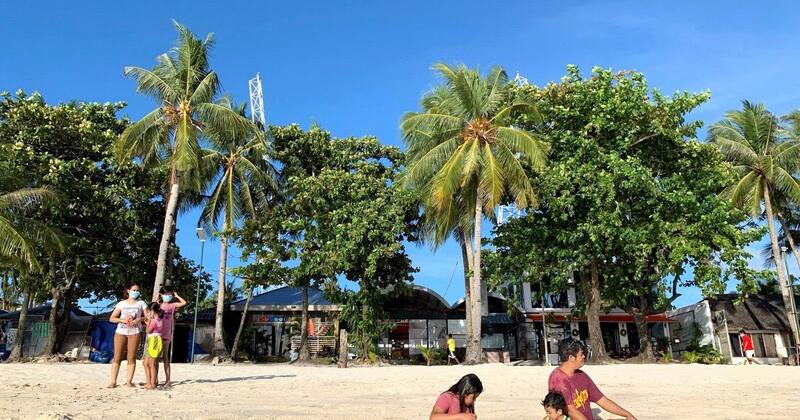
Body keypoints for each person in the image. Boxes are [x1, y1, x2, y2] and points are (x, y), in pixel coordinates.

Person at [548, 338, 636, 420]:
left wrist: (627, 415)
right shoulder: (558, 379)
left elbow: (601, 399)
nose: (584, 356)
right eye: (581, 354)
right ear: (571, 358)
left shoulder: (581, 375)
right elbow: (570, 410)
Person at [108, 283, 147, 388]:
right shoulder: (121, 304)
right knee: (117, 357)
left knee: (131, 357)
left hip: (135, 332)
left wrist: (139, 319)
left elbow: (148, 316)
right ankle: (113, 382)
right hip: (120, 332)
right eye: (134, 290)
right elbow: (112, 318)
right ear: (128, 290)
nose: (136, 292)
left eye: (137, 290)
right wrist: (123, 320)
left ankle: (129, 381)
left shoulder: (141, 303)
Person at [157, 286, 187, 387]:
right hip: (157, 334)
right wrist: (157, 298)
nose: (168, 296)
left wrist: (177, 296)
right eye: (166, 294)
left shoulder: (172, 305)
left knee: (165, 357)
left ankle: (168, 380)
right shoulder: (158, 306)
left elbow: (184, 303)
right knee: (155, 358)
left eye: (170, 294)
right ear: (161, 295)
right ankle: (154, 379)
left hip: (167, 334)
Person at [143, 302, 164, 390]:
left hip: (153, 341)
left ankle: (152, 383)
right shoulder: (159, 319)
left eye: (148, 311)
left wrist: (148, 323)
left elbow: (148, 331)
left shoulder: (155, 321)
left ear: (152, 311)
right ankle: (149, 382)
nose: (147, 313)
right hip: (153, 340)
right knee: (146, 363)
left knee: (151, 363)